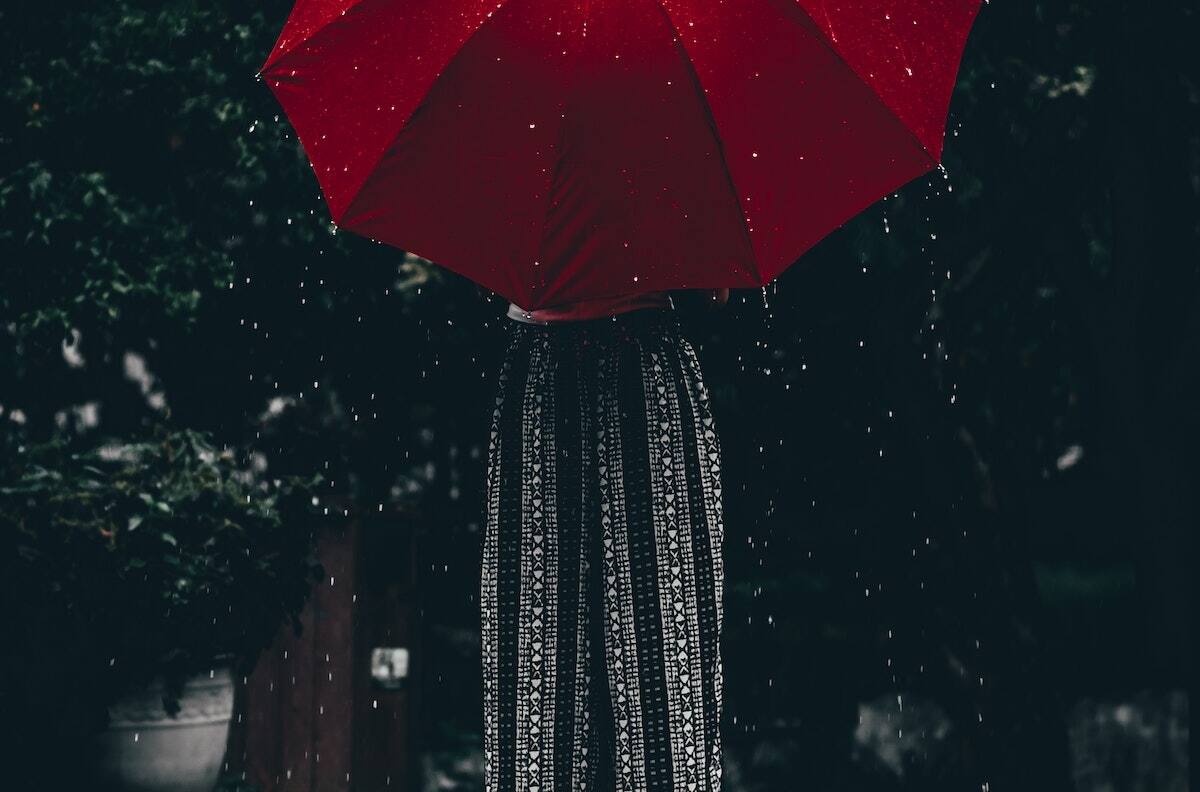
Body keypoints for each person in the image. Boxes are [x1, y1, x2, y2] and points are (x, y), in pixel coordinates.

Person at [481, 287, 728, 792]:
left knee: (537, 677)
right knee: (667, 674)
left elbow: (494, 274)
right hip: (640, 366)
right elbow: (712, 293)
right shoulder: (669, 223)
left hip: (550, 362)